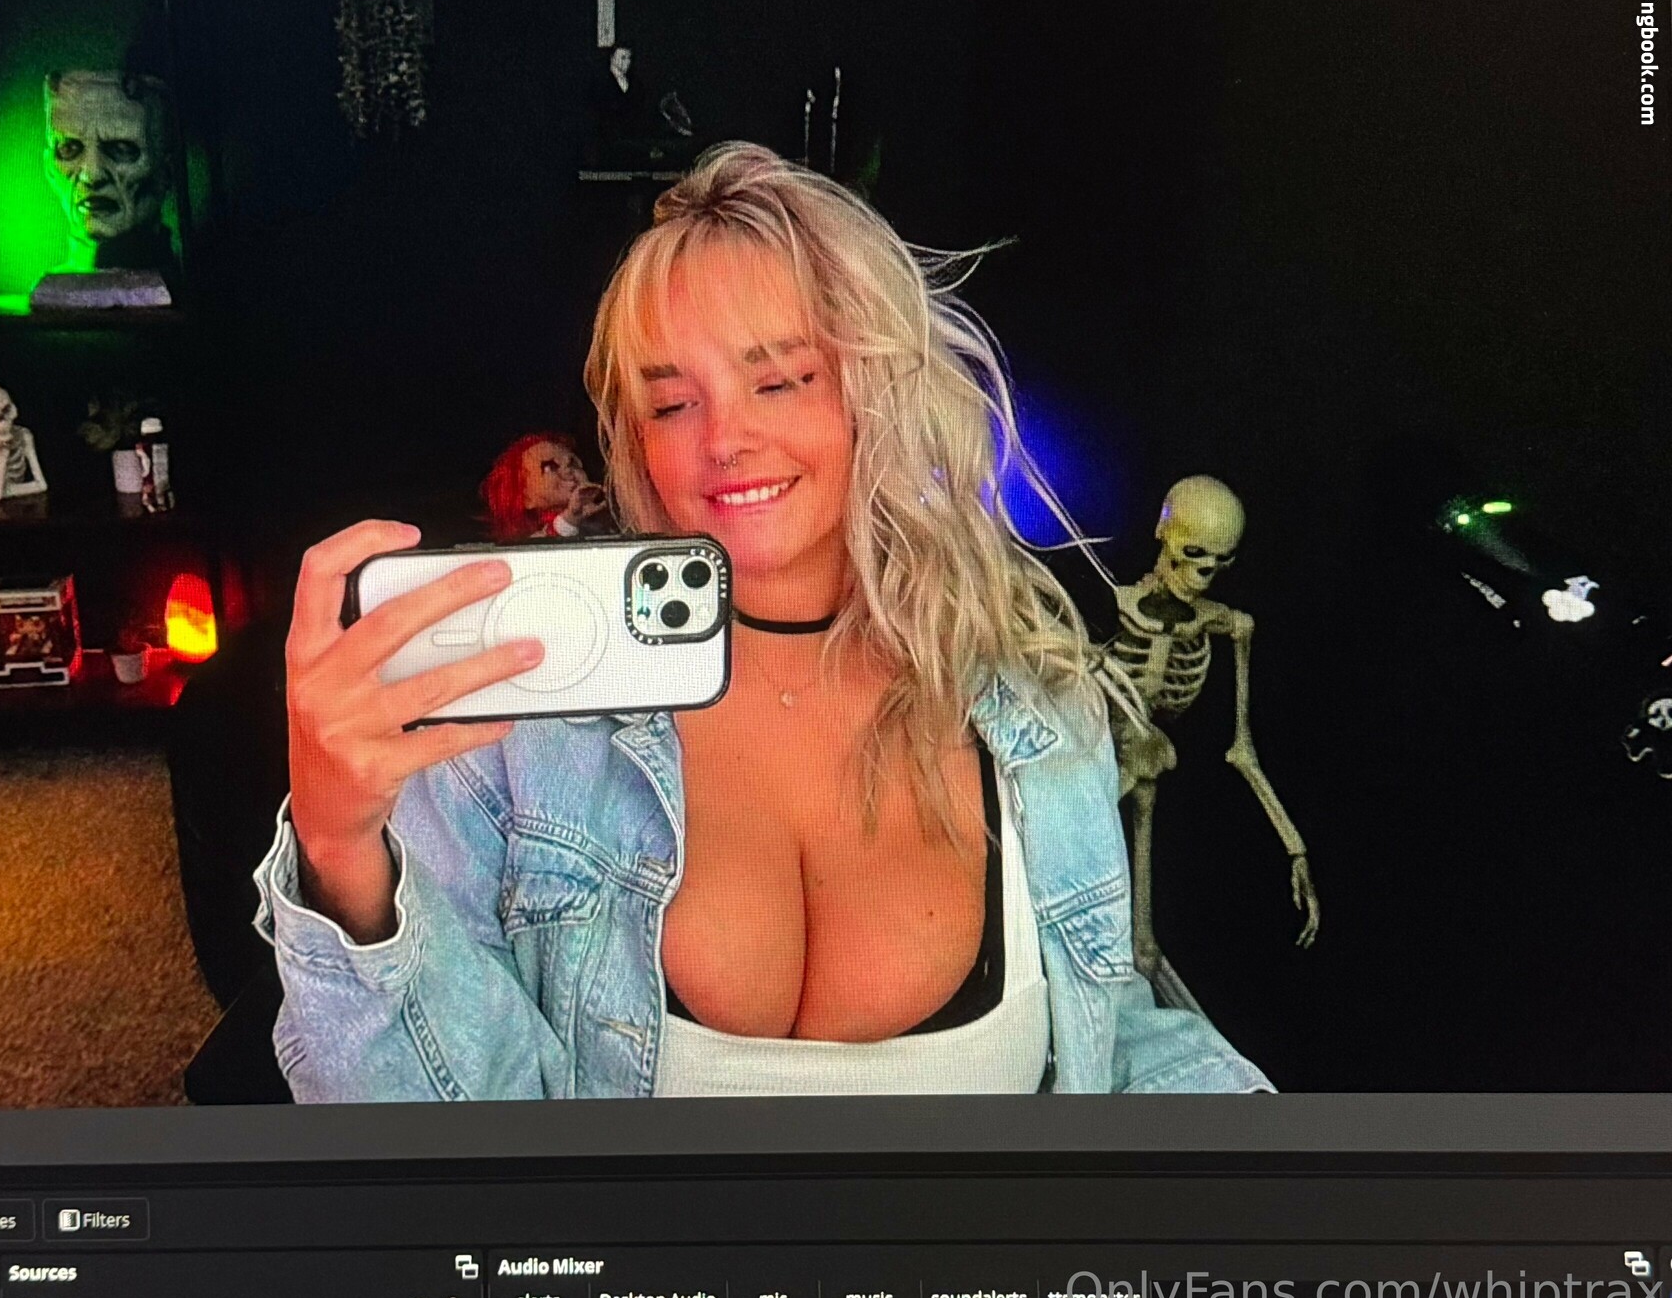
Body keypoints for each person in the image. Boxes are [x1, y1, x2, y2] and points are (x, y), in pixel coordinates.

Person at [254, 142, 1271, 1098]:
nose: (726, 439)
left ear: (871, 387)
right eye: (671, 404)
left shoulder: (1041, 714)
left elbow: (1108, 1038)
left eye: (779, 378)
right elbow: (442, 1137)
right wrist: (341, 853)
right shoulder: (521, 725)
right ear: (635, 441)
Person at [478, 432, 612, 539]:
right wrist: (571, 518)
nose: (568, 469)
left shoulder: (602, 523)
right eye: (549, 467)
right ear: (526, 498)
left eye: (572, 463)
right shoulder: (534, 543)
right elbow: (550, 545)